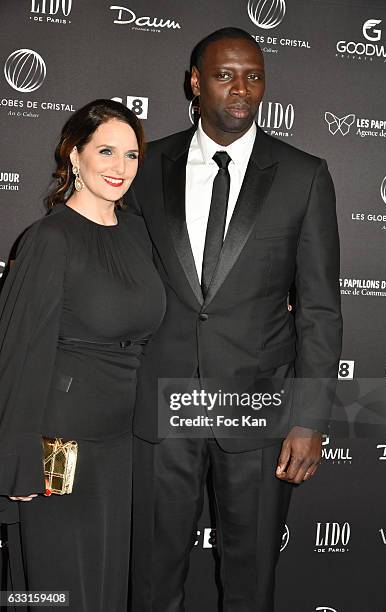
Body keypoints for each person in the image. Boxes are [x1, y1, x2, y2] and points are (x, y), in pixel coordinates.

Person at [127, 28, 342, 612]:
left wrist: (308, 419)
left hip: (259, 410)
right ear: (195, 83)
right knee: (151, 580)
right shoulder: (145, 166)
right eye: (225, 75)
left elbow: (320, 310)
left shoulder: (304, 175)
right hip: (161, 402)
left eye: (254, 75)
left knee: (250, 586)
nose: (241, 88)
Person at [0, 99, 165, 611]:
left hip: (124, 445)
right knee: (63, 593)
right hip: (60, 450)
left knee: (106, 588)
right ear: (75, 155)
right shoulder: (49, 239)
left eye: (132, 156)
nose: (120, 168)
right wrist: (16, 458)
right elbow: (18, 351)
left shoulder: (140, 233)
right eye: (107, 152)